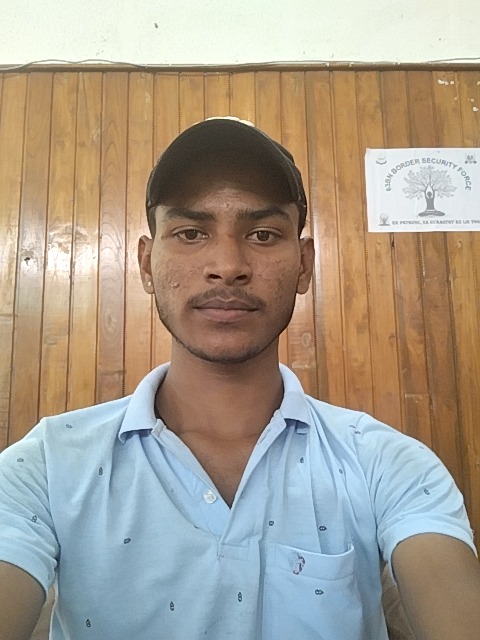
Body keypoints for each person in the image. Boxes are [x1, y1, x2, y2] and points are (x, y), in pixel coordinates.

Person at [0, 117, 479, 640]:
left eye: (263, 234)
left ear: (304, 265)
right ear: (146, 263)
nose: (227, 265)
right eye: (190, 233)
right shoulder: (47, 465)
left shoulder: (386, 464)